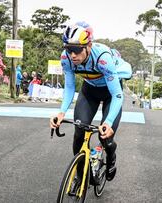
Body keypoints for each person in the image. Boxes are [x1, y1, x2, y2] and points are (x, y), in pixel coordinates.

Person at [50, 21, 132, 183]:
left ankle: (111, 157)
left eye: (76, 49)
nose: (72, 55)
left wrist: (108, 122)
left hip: (110, 94)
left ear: (88, 46)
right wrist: (61, 113)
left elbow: (117, 94)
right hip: (89, 92)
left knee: (104, 136)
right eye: (68, 49)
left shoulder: (103, 58)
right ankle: (81, 176)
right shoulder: (66, 59)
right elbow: (69, 87)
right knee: (79, 133)